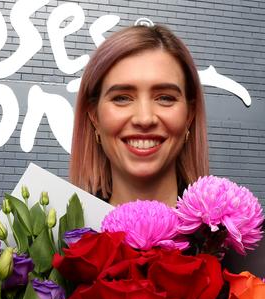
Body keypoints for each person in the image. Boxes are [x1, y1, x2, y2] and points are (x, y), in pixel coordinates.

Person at [69, 24, 209, 207]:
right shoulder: (59, 234)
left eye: (165, 98)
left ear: (189, 115)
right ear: (94, 116)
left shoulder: (238, 234)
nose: (144, 119)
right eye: (122, 98)